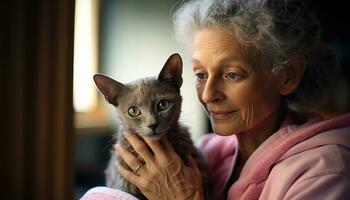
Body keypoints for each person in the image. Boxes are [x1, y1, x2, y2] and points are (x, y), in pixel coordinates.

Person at [81, 0, 350, 199]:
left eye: (232, 74)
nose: (208, 94)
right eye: (200, 74)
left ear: (287, 76)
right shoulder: (210, 152)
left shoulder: (324, 171)